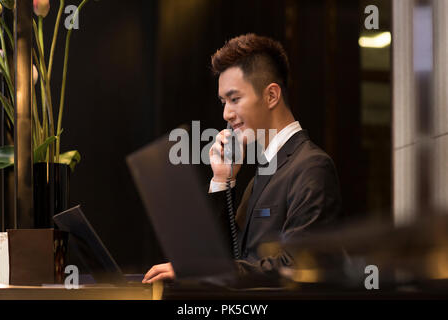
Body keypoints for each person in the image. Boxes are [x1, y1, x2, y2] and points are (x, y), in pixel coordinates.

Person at [142, 33, 342, 284]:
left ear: (271, 96)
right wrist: (222, 180)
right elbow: (223, 256)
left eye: (235, 99)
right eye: (223, 101)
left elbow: (296, 265)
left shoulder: (312, 166)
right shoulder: (264, 172)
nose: (227, 113)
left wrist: (203, 270)